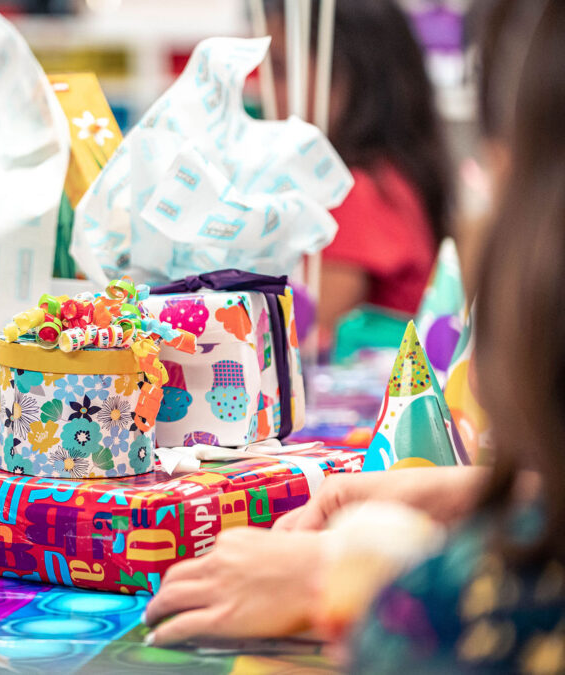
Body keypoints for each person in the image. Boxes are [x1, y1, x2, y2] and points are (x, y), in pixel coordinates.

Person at [145, 3, 564, 670]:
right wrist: (476, 492)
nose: (266, 91)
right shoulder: (397, 180)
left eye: (283, 67)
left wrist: (342, 577)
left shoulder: (360, 193)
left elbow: (313, 314)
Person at [264, 0, 454, 350]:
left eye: (278, 69)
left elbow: (299, 337)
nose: (257, 89)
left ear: (351, 74)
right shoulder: (391, 175)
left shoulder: (356, 192)